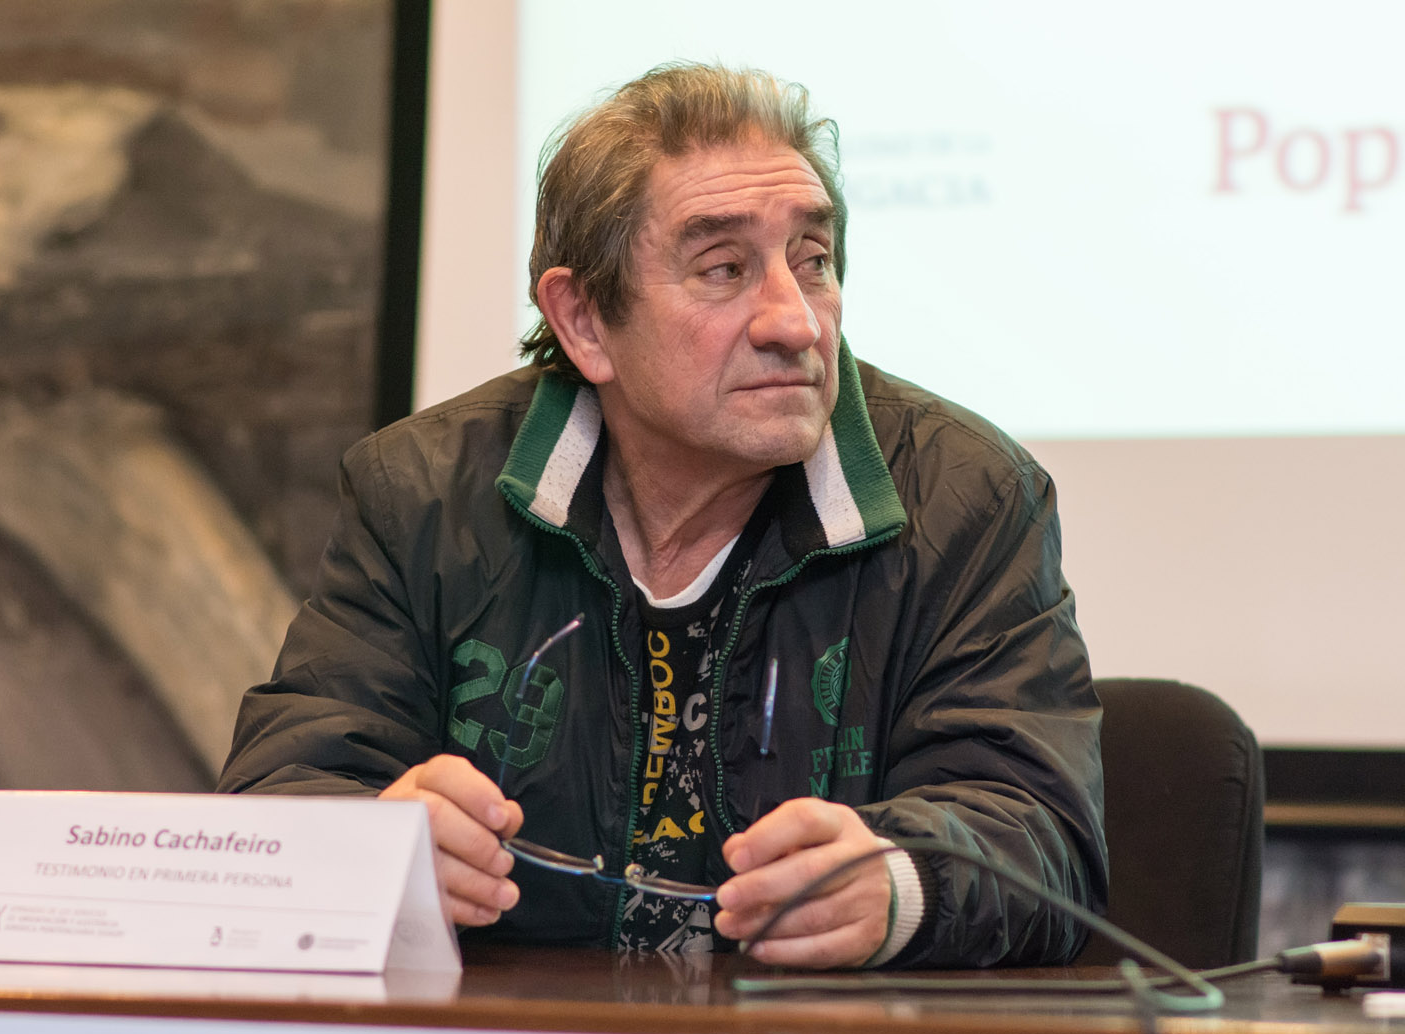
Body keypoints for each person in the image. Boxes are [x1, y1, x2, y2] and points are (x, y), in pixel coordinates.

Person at [218, 62, 1106, 970]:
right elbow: (278, 792)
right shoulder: (423, 494)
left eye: (813, 260)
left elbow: (1042, 829)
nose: (796, 322)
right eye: (724, 269)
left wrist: (903, 884)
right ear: (583, 320)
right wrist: (372, 843)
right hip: (511, 1031)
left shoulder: (963, 498)